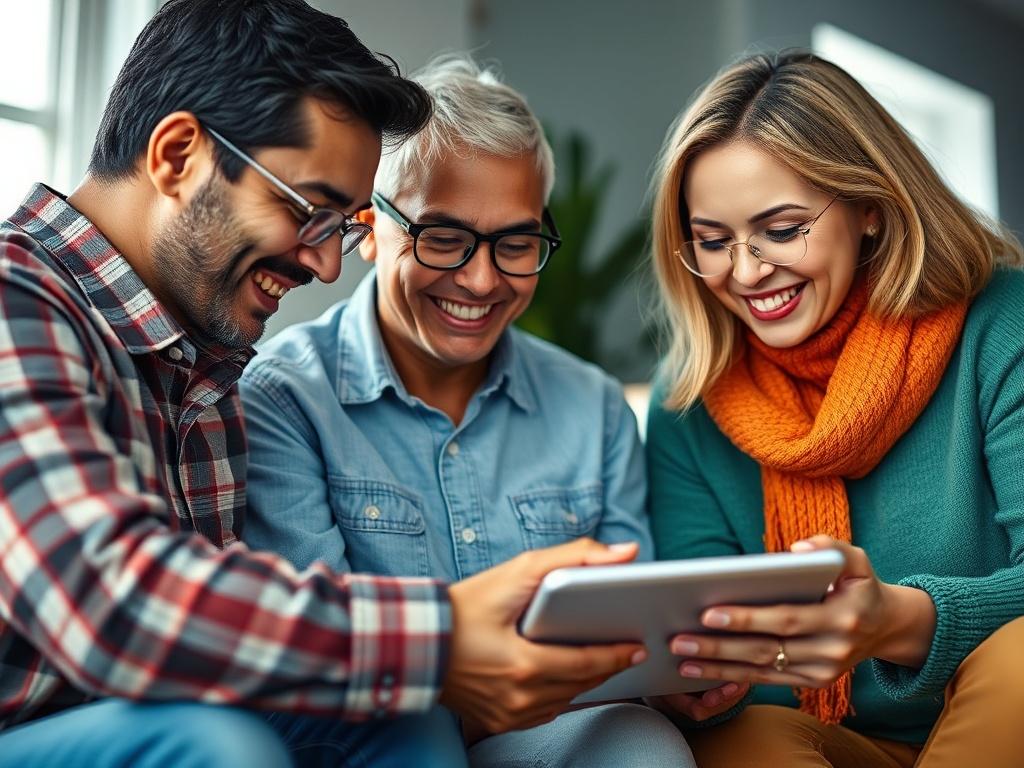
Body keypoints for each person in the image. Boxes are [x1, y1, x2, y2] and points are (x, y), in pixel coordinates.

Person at [0, 3, 650, 766]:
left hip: (143, 713)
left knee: (401, 724)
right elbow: (106, 600)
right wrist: (441, 634)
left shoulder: (201, 362)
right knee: (219, 744)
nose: (327, 265)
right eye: (307, 212)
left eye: (338, 227)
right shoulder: (18, 300)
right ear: (177, 155)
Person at [239, 54, 696, 767]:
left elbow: (628, 649)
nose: (482, 281)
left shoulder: (594, 407)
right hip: (376, 741)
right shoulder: (285, 396)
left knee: (643, 743)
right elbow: (315, 664)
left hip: (553, 730)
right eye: (443, 237)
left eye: (515, 243)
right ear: (368, 227)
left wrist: (684, 679)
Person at [644, 50, 1024, 767]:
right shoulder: (687, 398)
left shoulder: (1001, 324)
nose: (748, 272)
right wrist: (699, 681)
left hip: (996, 713)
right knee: (738, 738)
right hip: (826, 738)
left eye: (782, 230)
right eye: (713, 241)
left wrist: (895, 621)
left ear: (869, 207)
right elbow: (708, 633)